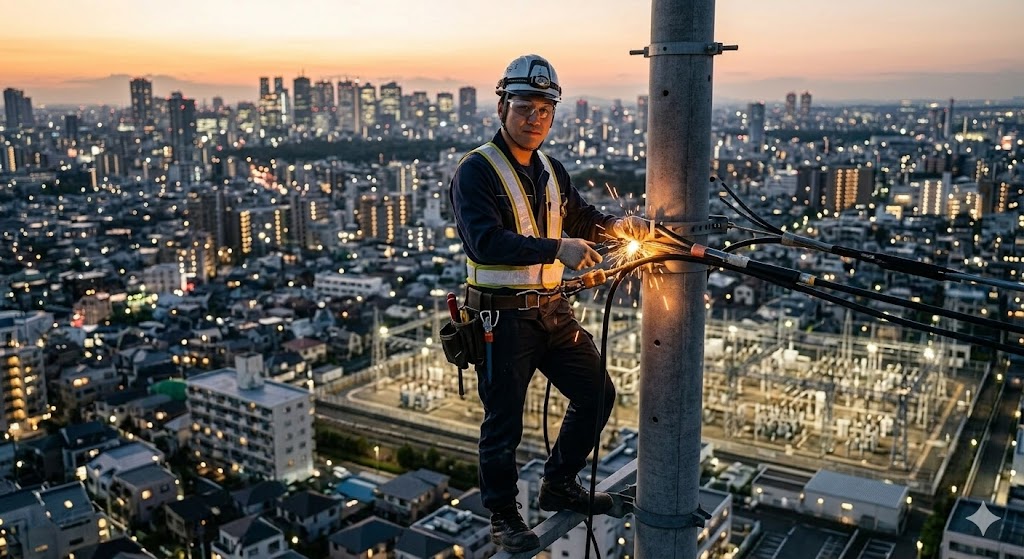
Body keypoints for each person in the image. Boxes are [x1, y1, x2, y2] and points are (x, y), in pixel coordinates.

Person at [448, 54, 650, 553]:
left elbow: (580, 217)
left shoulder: (550, 169)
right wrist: (556, 249)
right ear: (502, 107)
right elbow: (484, 242)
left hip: (553, 312)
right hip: (502, 319)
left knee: (596, 395)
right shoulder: (476, 171)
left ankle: (558, 484)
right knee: (503, 424)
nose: (535, 117)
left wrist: (617, 227)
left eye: (545, 108)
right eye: (525, 106)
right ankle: (502, 516)